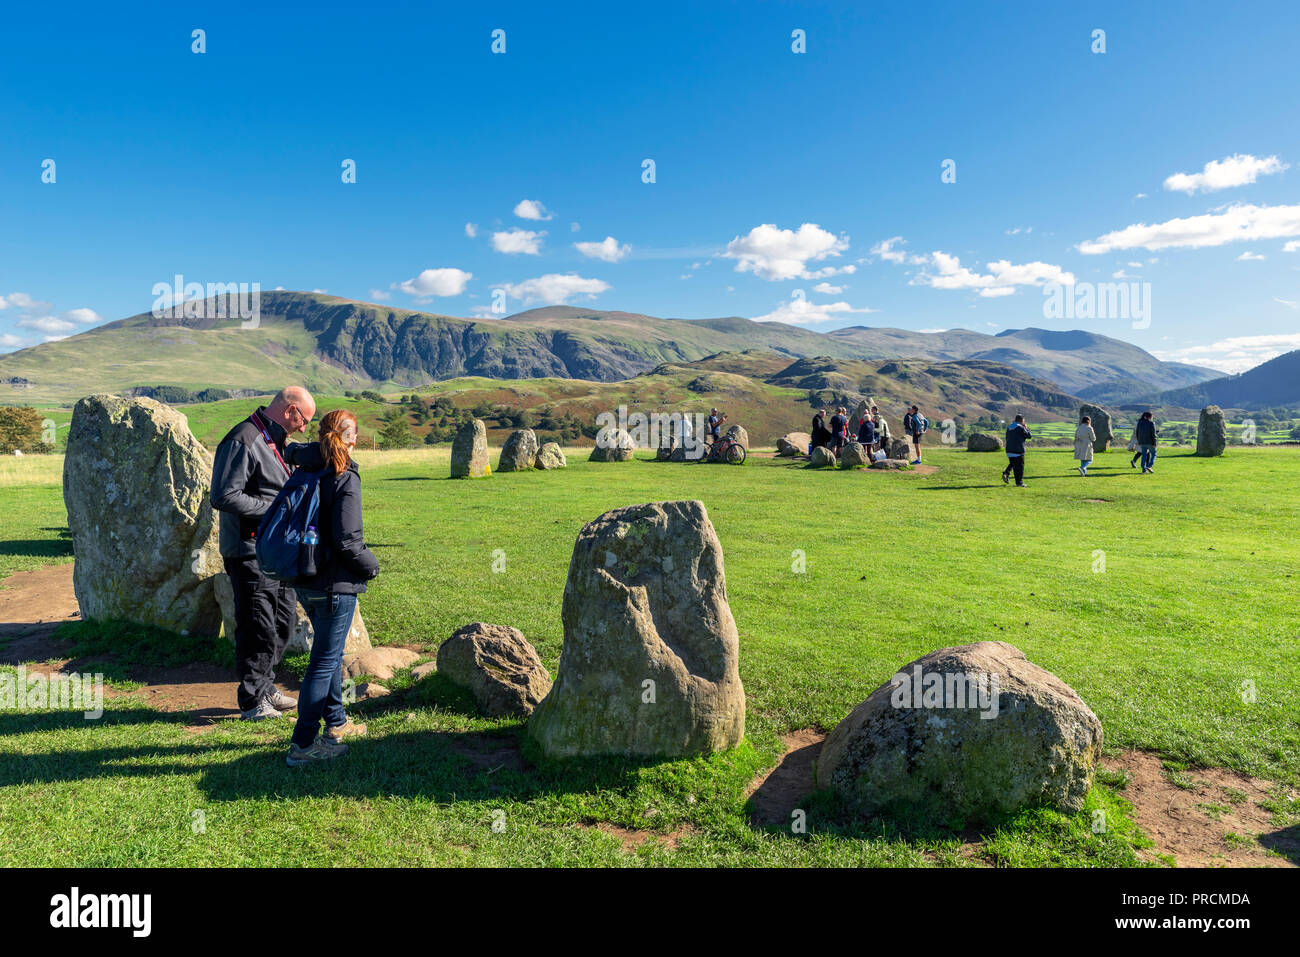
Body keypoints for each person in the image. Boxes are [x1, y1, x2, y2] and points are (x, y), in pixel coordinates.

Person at [211, 386, 318, 721]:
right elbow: (224, 496)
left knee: (283, 623)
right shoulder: (243, 438)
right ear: (290, 410)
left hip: (276, 551)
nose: (303, 428)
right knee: (258, 625)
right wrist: (277, 508)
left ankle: (267, 686)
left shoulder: (274, 438)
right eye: (304, 420)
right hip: (248, 549)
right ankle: (252, 699)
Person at [286, 409, 381, 766]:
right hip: (334, 584)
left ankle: (337, 724)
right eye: (354, 432)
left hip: (304, 579)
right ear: (348, 436)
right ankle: (303, 745)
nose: (356, 438)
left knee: (325, 658)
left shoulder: (306, 466)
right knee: (323, 663)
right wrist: (372, 567)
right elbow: (347, 542)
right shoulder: (345, 475)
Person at [1002, 414, 1031, 487]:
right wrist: (1026, 428)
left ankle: (1006, 473)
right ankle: (1019, 483)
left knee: (1013, 464)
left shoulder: (1009, 427)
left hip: (1009, 450)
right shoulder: (1020, 427)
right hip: (1018, 450)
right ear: (1022, 420)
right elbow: (1029, 436)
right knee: (1019, 467)